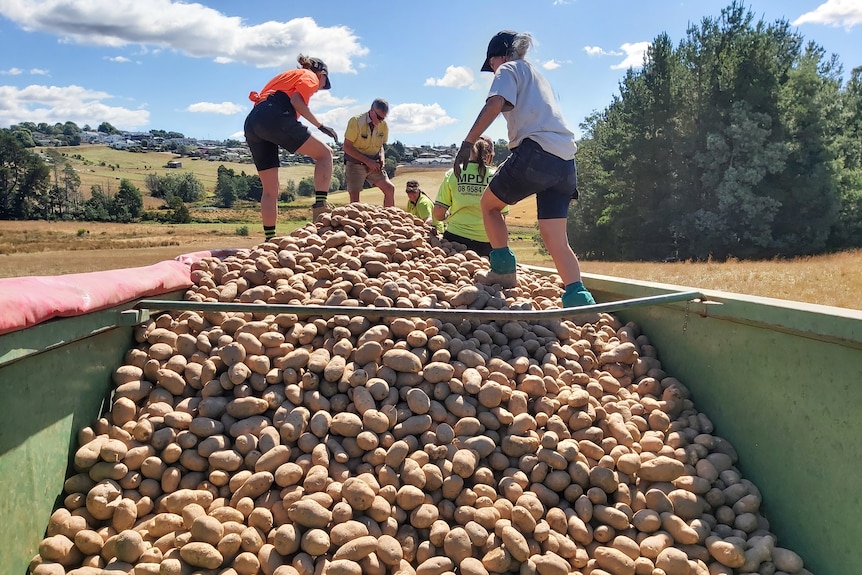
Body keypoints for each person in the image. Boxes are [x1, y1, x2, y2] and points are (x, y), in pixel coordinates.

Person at [454, 30, 595, 307]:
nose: (492, 70)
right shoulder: (538, 77)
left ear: (502, 56)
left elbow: (495, 103)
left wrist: (467, 143)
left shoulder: (508, 68)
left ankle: (504, 270)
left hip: (536, 153)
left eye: (491, 63)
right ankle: (579, 298)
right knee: (555, 236)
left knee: (489, 206)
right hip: (566, 162)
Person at [244, 54, 339, 240]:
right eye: (323, 84)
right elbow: (297, 101)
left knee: (270, 189)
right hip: (274, 116)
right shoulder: (309, 75)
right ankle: (320, 207)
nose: (319, 89)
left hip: (253, 122)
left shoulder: (286, 76)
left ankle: (269, 239)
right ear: (321, 74)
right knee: (325, 155)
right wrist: (320, 126)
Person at [433, 135, 506, 257]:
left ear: (469, 151)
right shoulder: (497, 178)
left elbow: (438, 212)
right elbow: (501, 218)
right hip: (486, 243)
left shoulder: (454, 173)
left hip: (454, 239)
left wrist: (447, 216)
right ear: (490, 154)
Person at [342, 99, 396, 207]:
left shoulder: (383, 126)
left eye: (384, 118)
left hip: (374, 163)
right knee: (355, 198)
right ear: (371, 111)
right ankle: (356, 221)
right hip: (355, 162)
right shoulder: (356, 121)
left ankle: (388, 219)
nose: (381, 121)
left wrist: (382, 158)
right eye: (379, 117)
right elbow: (346, 147)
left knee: (390, 189)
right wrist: (367, 161)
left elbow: (381, 146)